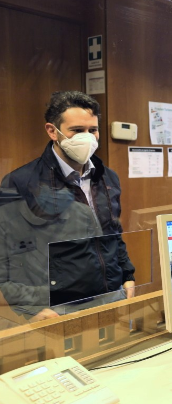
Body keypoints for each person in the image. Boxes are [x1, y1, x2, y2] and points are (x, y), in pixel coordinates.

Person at [0, 91, 135, 322]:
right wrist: (29, 308)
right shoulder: (21, 183)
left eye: (92, 130)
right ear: (52, 131)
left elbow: (113, 234)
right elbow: (7, 255)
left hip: (112, 297)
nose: (88, 137)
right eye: (77, 130)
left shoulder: (107, 177)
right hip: (59, 308)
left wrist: (128, 276)